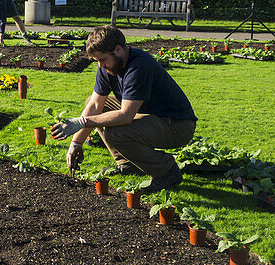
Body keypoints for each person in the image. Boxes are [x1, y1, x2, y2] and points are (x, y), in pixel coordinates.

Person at [52, 25, 197, 194]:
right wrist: (76, 143)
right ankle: (127, 163)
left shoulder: (139, 66)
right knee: (95, 104)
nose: (100, 66)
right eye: (97, 61)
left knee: (116, 133)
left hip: (176, 126)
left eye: (103, 60)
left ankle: (166, 171)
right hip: (149, 116)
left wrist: (81, 122)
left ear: (118, 49)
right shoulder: (108, 67)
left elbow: (126, 115)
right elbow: (95, 106)